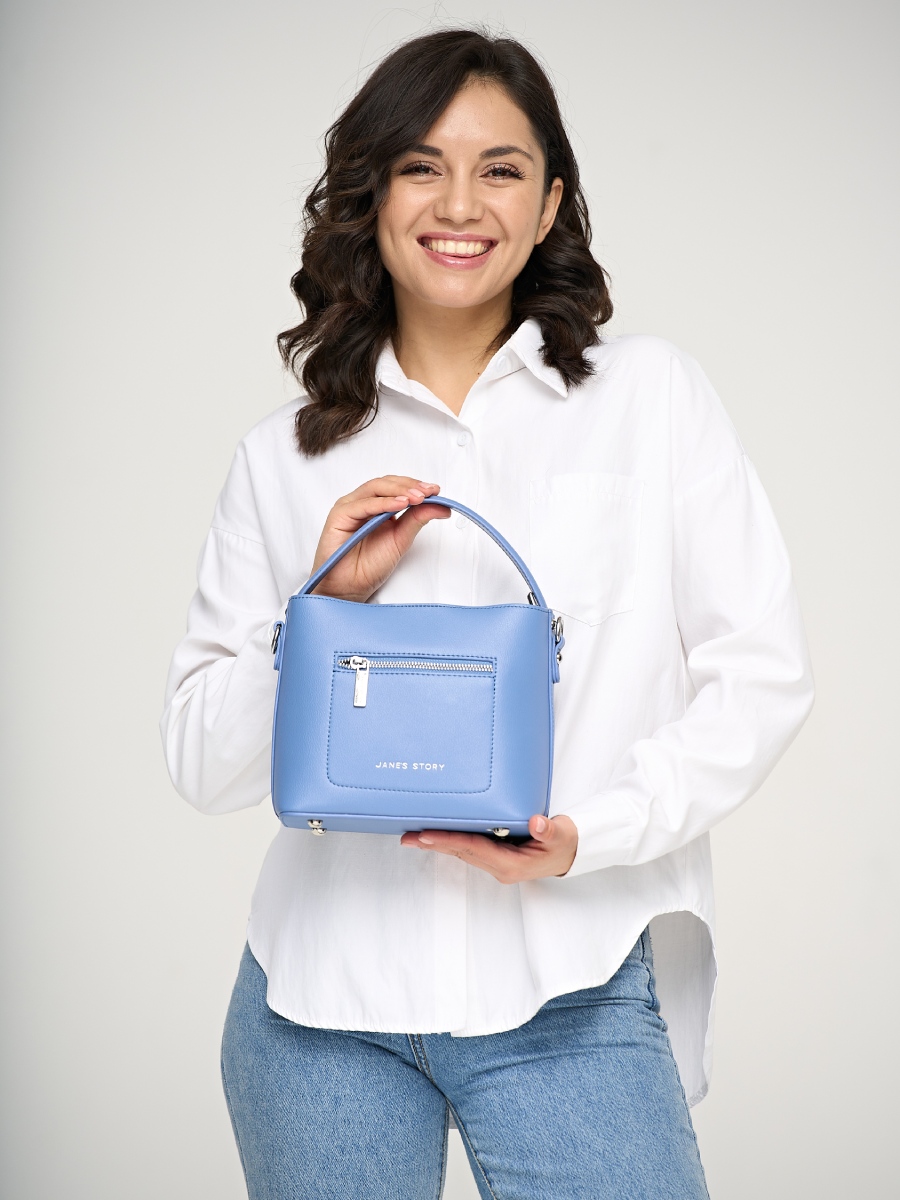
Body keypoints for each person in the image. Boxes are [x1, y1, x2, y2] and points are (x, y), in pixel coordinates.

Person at [161, 28, 814, 1200]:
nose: (459, 204)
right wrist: (321, 605)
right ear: (371, 194)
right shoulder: (281, 459)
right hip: (318, 1009)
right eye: (421, 166)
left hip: (570, 986)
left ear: (550, 201)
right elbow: (204, 767)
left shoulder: (652, 401)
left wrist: (590, 832)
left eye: (500, 169)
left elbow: (762, 676)